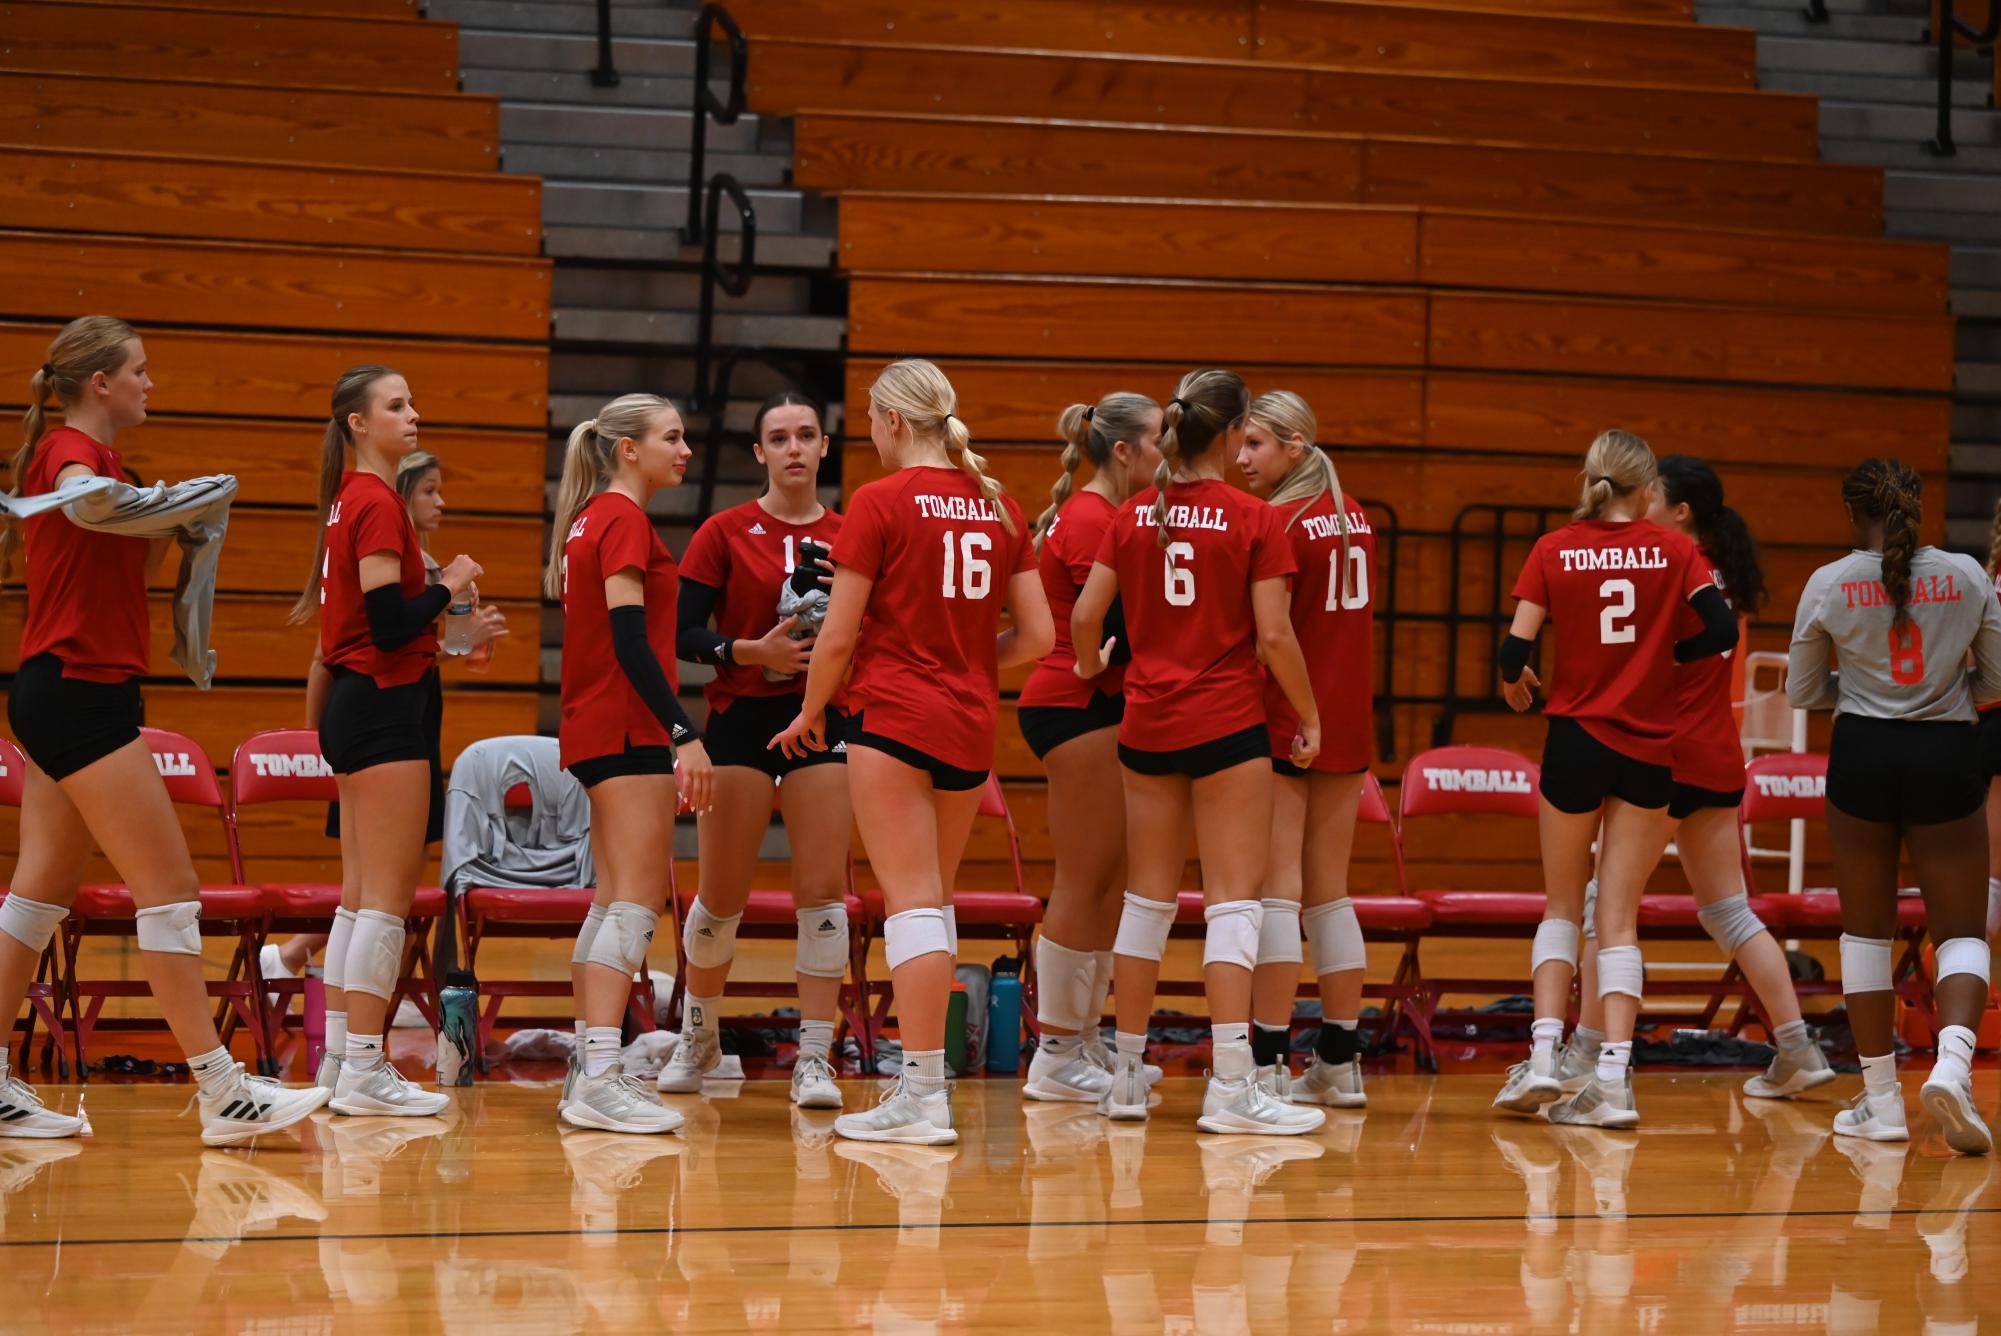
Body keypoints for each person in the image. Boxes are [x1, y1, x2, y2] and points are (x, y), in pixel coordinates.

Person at [0, 315, 326, 1143]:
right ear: (98, 383)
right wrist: (140, 502)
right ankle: (222, 1091)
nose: (150, 382)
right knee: (172, 891)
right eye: (138, 371)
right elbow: (77, 492)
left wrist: (171, 520)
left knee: (37, 898)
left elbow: (118, 558)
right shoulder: (70, 456)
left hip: (69, 689)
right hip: (77, 693)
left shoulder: (108, 465)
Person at [772, 358, 1053, 1144]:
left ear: (892, 421)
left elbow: (836, 634)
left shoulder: (879, 501)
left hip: (893, 718)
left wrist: (809, 711)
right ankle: (923, 1088)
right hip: (969, 725)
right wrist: (963, 659)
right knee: (932, 903)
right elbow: (1036, 637)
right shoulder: (999, 505)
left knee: (910, 906)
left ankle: (922, 1096)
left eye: (869, 418)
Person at [1073, 368, 1326, 1136]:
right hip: (1225, 727)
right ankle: (1230, 1084)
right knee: (1233, 904)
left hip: (1146, 723)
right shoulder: (1256, 519)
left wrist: (1091, 668)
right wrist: (1310, 716)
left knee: (1145, 903)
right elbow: (1275, 636)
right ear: (1231, 430)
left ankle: (1123, 1075)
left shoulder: (1132, 516)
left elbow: (1086, 615)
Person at [1563, 457, 1835, 1101]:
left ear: (1679, 511)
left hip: (1671, 758)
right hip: (1718, 758)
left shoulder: (1670, 570)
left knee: (1609, 909)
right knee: (1729, 913)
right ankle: (1798, 1048)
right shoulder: (1719, 576)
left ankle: (1587, 1054)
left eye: (1652, 494)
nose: (1642, 502)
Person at [1495, 429, 1736, 1128]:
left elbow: (1514, 646)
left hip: (1572, 737)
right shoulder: (1675, 549)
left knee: (1560, 908)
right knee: (1619, 918)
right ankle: (1612, 1082)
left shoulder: (1554, 547)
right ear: (1647, 487)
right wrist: (1663, 657)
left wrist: (1519, 682)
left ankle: (1542, 1058)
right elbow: (1719, 630)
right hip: (1647, 748)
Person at [1789, 457, 2001, 1153]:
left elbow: (1801, 691)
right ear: (1918, 505)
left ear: (1852, 514)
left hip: (1861, 753)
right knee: (1961, 928)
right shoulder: (1969, 576)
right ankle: (1951, 1065)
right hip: (1945, 753)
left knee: (1865, 934)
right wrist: (1944, 704)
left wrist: (1860, 700)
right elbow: (1996, 680)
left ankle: (1879, 1102)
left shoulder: (1828, 583)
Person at [296, 364, 484, 1118]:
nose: (413, 415)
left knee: (356, 903)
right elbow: (387, 624)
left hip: (359, 704)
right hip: (380, 707)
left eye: (413, 402)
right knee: (384, 904)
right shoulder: (373, 500)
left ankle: (343, 1060)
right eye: (396, 406)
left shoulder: (353, 500)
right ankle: (366, 1067)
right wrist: (452, 583)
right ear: (357, 424)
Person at [658, 392, 854, 1109]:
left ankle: (813, 1057)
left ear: (824, 447)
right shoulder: (723, 530)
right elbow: (680, 634)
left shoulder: (851, 532)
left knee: (822, 896)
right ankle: (699, 1035)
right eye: (780, 437)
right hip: (740, 722)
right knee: (720, 898)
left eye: (807, 435)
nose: (794, 447)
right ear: (759, 452)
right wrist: (750, 649)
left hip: (820, 720)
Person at [270, 448, 506, 997]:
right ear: (400, 495)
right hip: (377, 717)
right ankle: (348, 1025)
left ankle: (355, 1030)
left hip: (402, 708)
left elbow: (424, 647)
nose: (440, 501)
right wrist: (314, 739)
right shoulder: (390, 546)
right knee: (379, 892)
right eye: (428, 490)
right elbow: (345, 646)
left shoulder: (413, 559)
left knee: (378, 886)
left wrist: (467, 640)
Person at [549, 394, 715, 1134]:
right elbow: (629, 640)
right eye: (670, 437)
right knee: (634, 904)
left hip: (597, 726)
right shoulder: (621, 519)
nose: (684, 449)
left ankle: (591, 1070)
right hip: (625, 727)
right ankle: (602, 1077)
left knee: (611, 902)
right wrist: (684, 732)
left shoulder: (591, 517)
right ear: (626, 449)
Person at [1017, 391, 1162, 1104]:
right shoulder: (1090, 517)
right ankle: (1054, 1052)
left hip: (1097, 707)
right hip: (1073, 707)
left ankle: (1084, 1037)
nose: (1169, 458)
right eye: (1160, 443)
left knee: (1110, 879)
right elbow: (1104, 628)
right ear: (1126, 452)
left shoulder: (1115, 515)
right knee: (1082, 877)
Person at [1235, 389, 1376, 1109]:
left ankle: (1264, 1063)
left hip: (1287, 718)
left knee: (1277, 891)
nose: (1241, 457)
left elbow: (1273, 635)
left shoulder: (1277, 521)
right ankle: (1340, 1060)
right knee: (1329, 894)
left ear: (1294, 445)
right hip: (1348, 722)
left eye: (1255, 443)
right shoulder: (1351, 516)